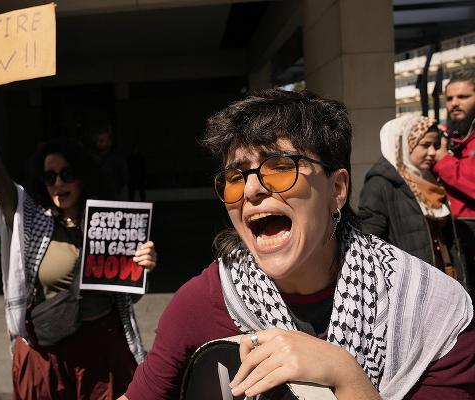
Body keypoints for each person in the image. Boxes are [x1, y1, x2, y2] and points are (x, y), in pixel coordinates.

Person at [121, 90, 475, 400]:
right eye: (234, 177)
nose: (251, 190)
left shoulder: (431, 311)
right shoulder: (202, 301)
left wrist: (345, 376)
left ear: (337, 189)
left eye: (278, 167)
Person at [0, 83, 157, 399]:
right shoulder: (34, 217)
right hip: (51, 354)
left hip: (103, 351)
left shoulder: (111, 224)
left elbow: (126, 298)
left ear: (84, 176)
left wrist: (142, 268)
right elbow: (0, 187)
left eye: (67, 174)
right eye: (50, 176)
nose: (58, 183)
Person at [359, 115, 468, 290]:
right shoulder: (380, 185)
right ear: (404, 145)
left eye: (436, 146)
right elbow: (370, 244)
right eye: (425, 145)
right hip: (410, 289)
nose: (432, 152)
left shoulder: (431, 180)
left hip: (446, 282)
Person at [435, 69, 475, 294]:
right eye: (450, 98)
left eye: (463, 97)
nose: (454, 103)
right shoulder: (446, 136)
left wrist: (444, 162)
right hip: (450, 234)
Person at [92, 124, 128, 200]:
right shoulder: (92, 159)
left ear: (109, 142)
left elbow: (124, 180)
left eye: (102, 141)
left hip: (114, 200)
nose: (99, 143)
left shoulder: (118, 159)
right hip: (97, 200)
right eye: (98, 141)